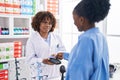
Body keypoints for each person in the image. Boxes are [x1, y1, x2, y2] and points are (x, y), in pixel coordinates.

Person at [55, 0, 111, 80]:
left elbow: (79, 72)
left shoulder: (86, 40)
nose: (74, 23)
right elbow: (90, 61)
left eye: (74, 19)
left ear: (81, 20)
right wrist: (65, 55)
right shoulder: (100, 37)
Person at [25, 11, 66, 80]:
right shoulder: (32, 39)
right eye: (45, 22)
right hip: (40, 75)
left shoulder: (56, 37)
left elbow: (63, 50)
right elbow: (29, 60)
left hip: (55, 74)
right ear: (38, 23)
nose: (48, 25)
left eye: (50, 23)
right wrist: (42, 60)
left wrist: (59, 55)